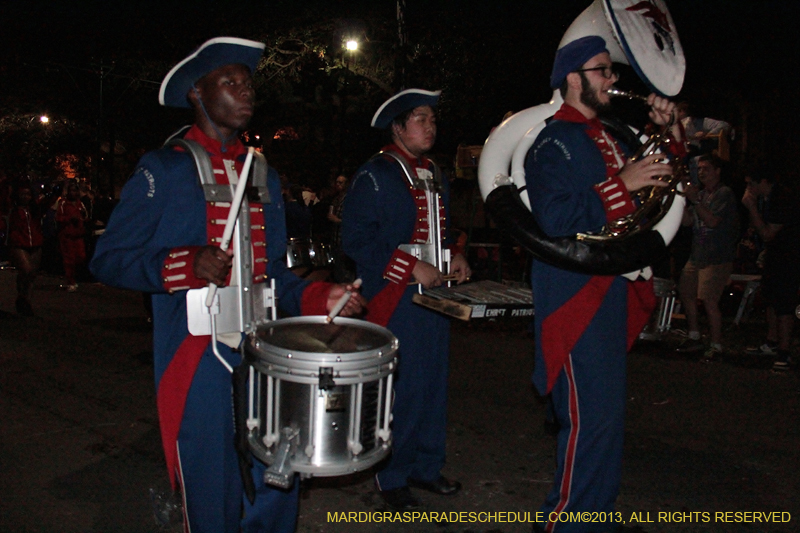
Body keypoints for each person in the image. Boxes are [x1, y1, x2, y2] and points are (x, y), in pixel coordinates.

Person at [90, 37, 364, 533]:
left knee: (280, 473)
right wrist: (184, 263)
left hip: (266, 351)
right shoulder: (164, 168)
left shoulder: (263, 171)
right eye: (230, 82)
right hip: (196, 356)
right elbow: (108, 259)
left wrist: (325, 295)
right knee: (211, 483)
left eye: (248, 83)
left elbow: (274, 276)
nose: (245, 92)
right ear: (198, 93)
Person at [524, 36, 684, 532]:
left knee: (607, 422)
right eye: (602, 71)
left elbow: (659, 182)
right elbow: (552, 218)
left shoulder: (611, 136)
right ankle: (567, 524)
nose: (613, 79)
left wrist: (671, 131)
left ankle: (595, 517)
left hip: (609, 286)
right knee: (589, 421)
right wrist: (623, 184)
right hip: (576, 293)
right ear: (573, 78)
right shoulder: (552, 141)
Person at [341, 88, 471, 511]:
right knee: (404, 389)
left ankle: (425, 468)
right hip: (395, 299)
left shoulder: (435, 171)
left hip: (433, 297)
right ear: (397, 127)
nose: (430, 126)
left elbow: (442, 232)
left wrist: (456, 255)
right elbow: (355, 240)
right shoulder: (374, 174)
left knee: (433, 385)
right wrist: (410, 267)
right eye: (420, 119)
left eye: (433, 119)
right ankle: (391, 473)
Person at [676, 154, 739, 360]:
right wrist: (682, 201)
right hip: (697, 254)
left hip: (716, 256)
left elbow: (712, 221)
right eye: (700, 169)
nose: (702, 172)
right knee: (687, 293)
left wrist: (695, 201)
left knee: (709, 301)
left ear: (717, 171)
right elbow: (687, 222)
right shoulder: (701, 194)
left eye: (706, 168)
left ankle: (716, 344)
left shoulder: (724, 193)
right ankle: (694, 335)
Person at [741, 171, 799, 371]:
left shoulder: (781, 198)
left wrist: (751, 207)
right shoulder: (768, 198)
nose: (749, 189)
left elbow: (767, 234)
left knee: (783, 302)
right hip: (775, 255)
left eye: (751, 184)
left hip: (789, 256)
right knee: (770, 297)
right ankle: (772, 342)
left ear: (763, 181)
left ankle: (785, 351)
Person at [6, 181, 43, 316]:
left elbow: (47, 203)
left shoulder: (34, 209)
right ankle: (22, 294)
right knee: (26, 270)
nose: (25, 197)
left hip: (36, 243)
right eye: (22, 194)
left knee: (32, 274)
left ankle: (25, 300)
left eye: (27, 194)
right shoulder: (13, 210)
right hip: (19, 244)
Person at [56, 180, 88, 291]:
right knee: (69, 260)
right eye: (71, 190)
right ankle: (70, 281)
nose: (73, 193)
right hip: (67, 236)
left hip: (78, 235)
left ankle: (74, 277)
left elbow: (86, 217)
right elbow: (58, 218)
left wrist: (83, 218)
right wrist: (69, 219)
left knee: (81, 257)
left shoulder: (80, 203)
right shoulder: (63, 203)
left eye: (75, 190)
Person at [327, 174, 355, 282]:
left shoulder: (350, 199)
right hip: (335, 239)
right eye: (337, 182)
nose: (338, 185)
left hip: (344, 240)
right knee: (337, 269)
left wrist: (337, 220)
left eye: (341, 183)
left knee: (344, 272)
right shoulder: (336, 198)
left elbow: (352, 221)